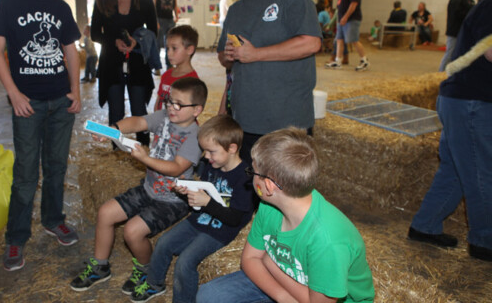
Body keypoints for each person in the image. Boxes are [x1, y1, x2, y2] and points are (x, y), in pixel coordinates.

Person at [196, 128, 375, 303]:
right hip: (284, 281)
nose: (250, 178)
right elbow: (249, 259)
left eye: (252, 172)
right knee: (209, 295)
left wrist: (270, 263)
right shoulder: (268, 205)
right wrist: (282, 297)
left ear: (268, 186)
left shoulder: (327, 240)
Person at [0, 0, 81, 272]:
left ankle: (53, 219)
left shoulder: (60, 7)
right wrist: (13, 93)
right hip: (26, 102)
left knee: (56, 167)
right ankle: (16, 237)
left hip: (59, 101)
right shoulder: (9, 2)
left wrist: (75, 91)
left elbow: (70, 51)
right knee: (26, 174)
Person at [70, 77, 208, 293]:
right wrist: (112, 130)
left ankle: (146, 269)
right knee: (106, 212)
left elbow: (175, 168)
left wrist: (144, 159)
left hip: (173, 200)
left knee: (132, 232)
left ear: (197, 110)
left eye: (179, 104)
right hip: (148, 188)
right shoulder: (164, 117)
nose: (171, 107)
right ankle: (100, 266)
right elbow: (138, 122)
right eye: (169, 101)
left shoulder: (195, 137)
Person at [408, 0, 492, 262]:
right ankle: (485, 240)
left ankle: (425, 225)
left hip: (463, 99)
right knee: (482, 173)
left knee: (457, 169)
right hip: (470, 101)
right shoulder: (490, 7)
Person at [130, 115, 257, 302]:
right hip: (200, 218)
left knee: (186, 261)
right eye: (204, 151)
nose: (205, 157)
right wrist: (185, 191)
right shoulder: (212, 165)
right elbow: (202, 195)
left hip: (222, 229)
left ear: (232, 148)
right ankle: (154, 283)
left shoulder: (245, 177)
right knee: (164, 242)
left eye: (211, 151)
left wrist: (206, 203)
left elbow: (235, 219)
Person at [217, 0, 321, 165]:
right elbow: (223, 59)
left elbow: (311, 43)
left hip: (285, 122)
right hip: (244, 120)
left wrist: (255, 54)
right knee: (251, 189)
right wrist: (229, 55)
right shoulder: (235, 11)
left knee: (284, 190)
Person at [92, 0, 158, 147]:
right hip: (111, 61)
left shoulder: (145, 0)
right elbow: (95, 33)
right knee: (115, 110)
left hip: (137, 60)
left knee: (139, 108)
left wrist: (136, 42)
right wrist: (113, 42)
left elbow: (153, 31)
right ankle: (115, 149)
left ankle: (144, 148)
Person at [325, 0, 370, 71]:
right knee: (339, 40)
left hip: (351, 19)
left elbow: (354, 4)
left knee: (353, 40)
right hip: (341, 20)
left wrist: (346, 17)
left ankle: (364, 60)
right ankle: (338, 61)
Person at [154, 25, 200, 110]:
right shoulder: (166, 75)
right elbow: (158, 104)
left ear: (189, 50)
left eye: (174, 48)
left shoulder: (192, 81)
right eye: (167, 48)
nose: (169, 53)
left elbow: (189, 113)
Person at [438, 0, 479, 72]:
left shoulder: (469, 0)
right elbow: (456, 15)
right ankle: (441, 72)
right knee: (450, 53)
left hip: (464, 32)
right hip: (455, 32)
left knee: (461, 54)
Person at [153, 0, 181, 71]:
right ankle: (157, 67)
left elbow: (175, 4)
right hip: (160, 20)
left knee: (170, 44)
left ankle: (169, 65)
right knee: (158, 44)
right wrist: (155, 21)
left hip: (170, 20)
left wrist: (176, 16)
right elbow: (153, 7)